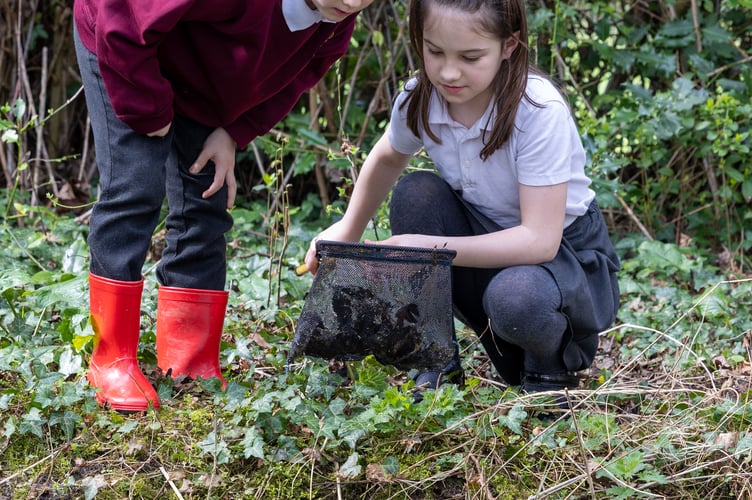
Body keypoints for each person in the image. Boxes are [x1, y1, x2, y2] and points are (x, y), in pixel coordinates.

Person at [304, 0, 620, 402]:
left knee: (516, 297)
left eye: (470, 57)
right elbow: (386, 158)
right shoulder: (422, 96)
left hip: (559, 261)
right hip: (483, 235)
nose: (448, 72)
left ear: (509, 45)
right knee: (416, 192)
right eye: (434, 52)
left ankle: (547, 372)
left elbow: (540, 241)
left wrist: (428, 248)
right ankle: (435, 359)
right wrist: (347, 231)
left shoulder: (538, 110)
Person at [73, 0, 376, 412]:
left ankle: (189, 358)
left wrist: (234, 131)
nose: (354, 2)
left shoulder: (334, 19)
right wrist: (150, 107)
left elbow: (302, 75)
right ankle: (111, 357)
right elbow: (122, 18)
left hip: (197, 75)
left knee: (206, 196)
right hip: (124, 41)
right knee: (136, 188)